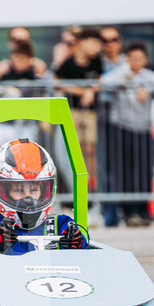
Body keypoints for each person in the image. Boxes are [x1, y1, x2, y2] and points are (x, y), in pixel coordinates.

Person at [0, 139, 88, 255]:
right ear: (4, 192)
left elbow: (87, 256)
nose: (28, 197)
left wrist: (77, 243)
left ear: (43, 192)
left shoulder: (61, 224)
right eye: (18, 190)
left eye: (34, 190)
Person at [100, 42, 154, 227]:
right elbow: (104, 82)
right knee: (124, 171)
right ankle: (127, 211)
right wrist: (124, 82)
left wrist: (145, 86)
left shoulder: (147, 76)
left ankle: (142, 209)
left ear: (145, 60)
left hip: (143, 129)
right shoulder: (120, 72)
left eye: (140, 59)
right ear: (127, 59)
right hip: (121, 128)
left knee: (144, 171)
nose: (136, 62)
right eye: (132, 58)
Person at [56, 27, 104, 191]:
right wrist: (81, 90)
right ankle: (78, 186)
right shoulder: (68, 62)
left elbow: (100, 81)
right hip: (73, 111)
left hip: (91, 112)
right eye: (93, 43)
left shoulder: (97, 61)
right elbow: (57, 82)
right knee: (75, 150)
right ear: (82, 42)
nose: (96, 47)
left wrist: (91, 90)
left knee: (90, 148)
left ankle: (92, 185)